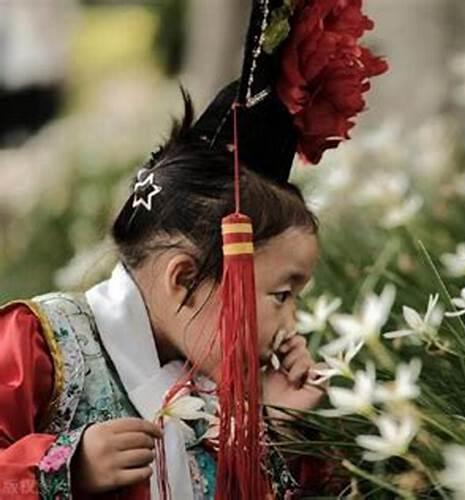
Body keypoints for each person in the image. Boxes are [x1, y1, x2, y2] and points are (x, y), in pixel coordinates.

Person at [0, 0, 386, 497]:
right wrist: (62, 469)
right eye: (281, 295)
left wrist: (277, 428)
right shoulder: (37, 348)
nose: (291, 325)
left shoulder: (224, 386)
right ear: (184, 278)